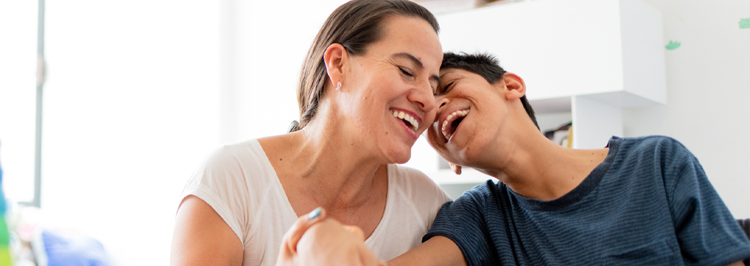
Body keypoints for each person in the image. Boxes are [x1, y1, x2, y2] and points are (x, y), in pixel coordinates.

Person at [284, 52, 750, 266]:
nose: (436, 107)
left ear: (511, 86)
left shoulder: (656, 163)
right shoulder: (478, 217)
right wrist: (320, 239)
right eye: (428, 115)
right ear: (454, 164)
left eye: (445, 87)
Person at [169, 1, 452, 265]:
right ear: (338, 64)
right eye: (406, 70)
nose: (428, 100)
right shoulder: (230, 180)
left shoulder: (427, 204)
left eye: (433, 85)